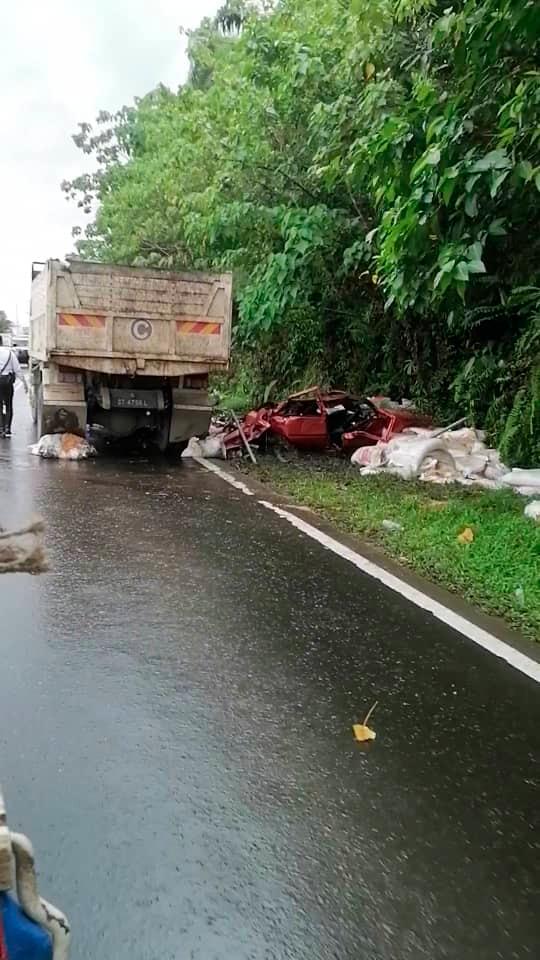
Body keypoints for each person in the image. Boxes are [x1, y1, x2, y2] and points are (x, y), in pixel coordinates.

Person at [0, 335, 28, 438]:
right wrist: (25, 383)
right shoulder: (10, 354)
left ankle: (1, 428)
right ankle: (7, 428)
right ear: (2, 342)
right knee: (8, 405)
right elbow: (17, 369)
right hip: (7, 383)